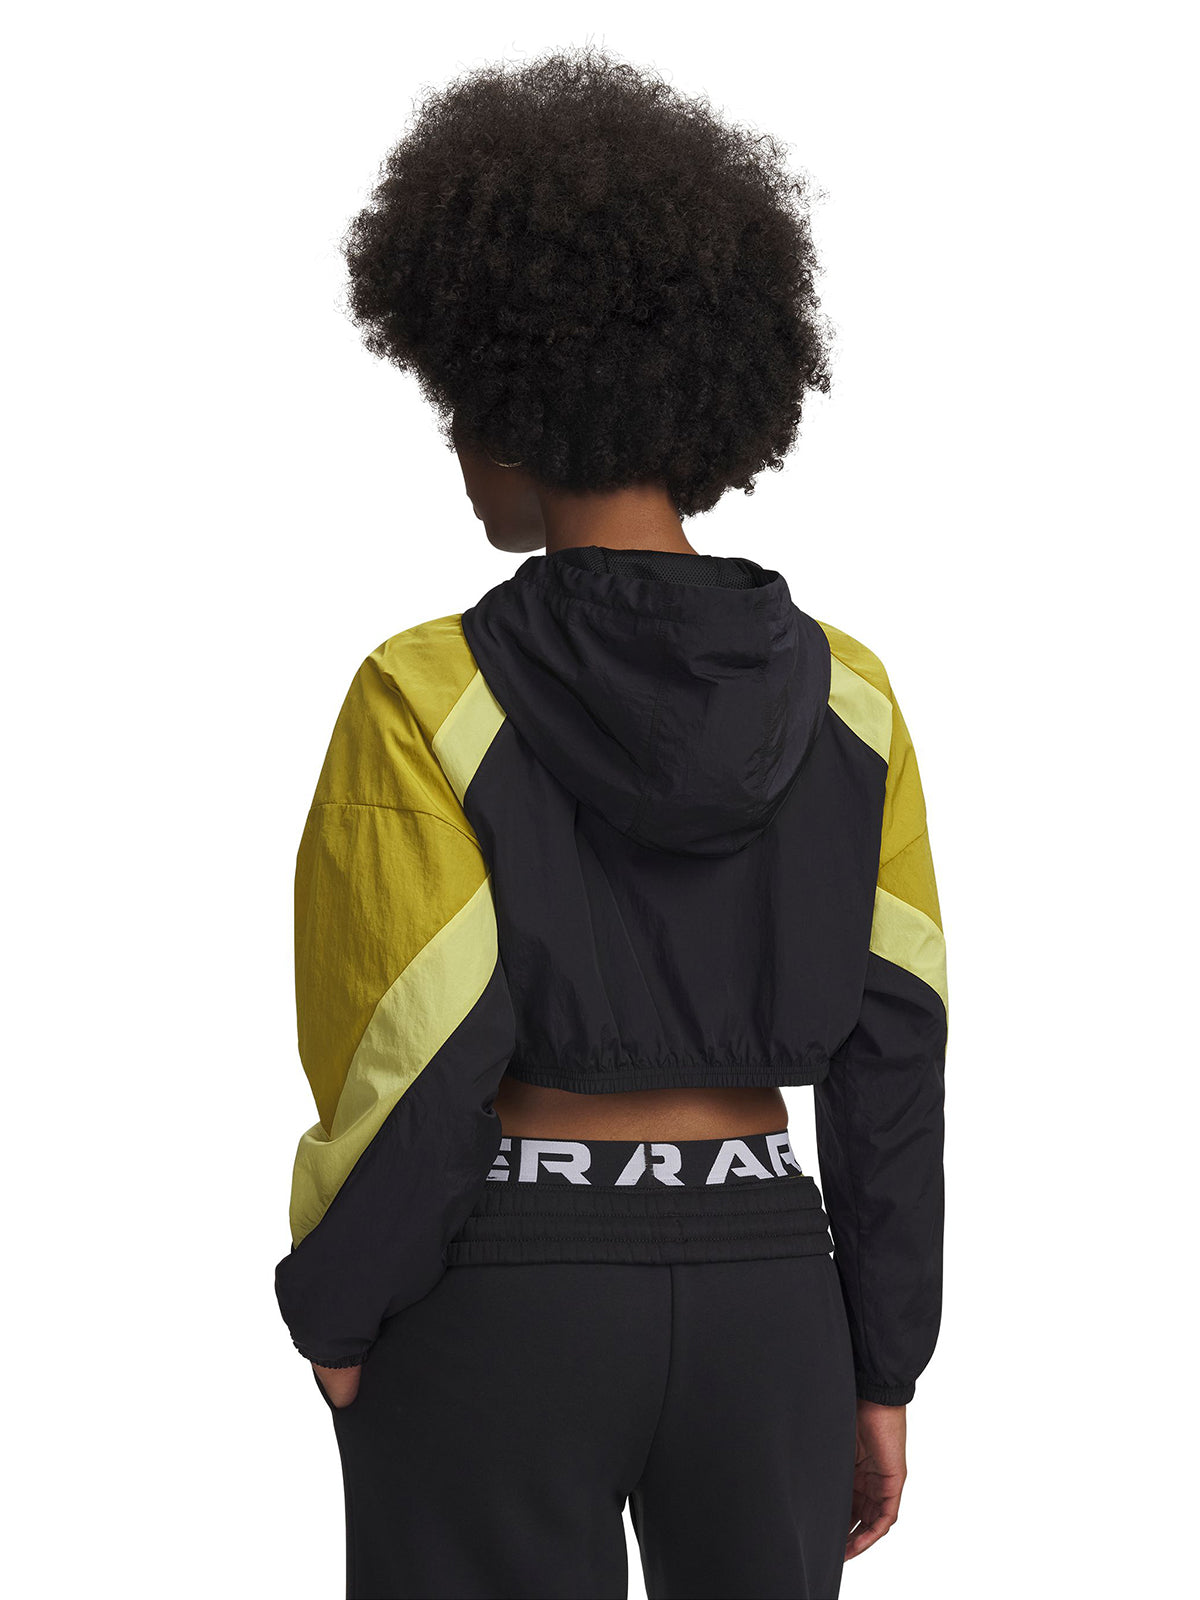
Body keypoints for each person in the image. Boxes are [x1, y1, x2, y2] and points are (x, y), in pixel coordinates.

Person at [274, 45, 948, 1600]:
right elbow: (896, 1052)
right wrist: (881, 1360)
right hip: (772, 1293)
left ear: (512, 404)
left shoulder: (425, 692)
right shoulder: (853, 700)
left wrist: (342, 1307)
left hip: (504, 1291)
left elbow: (414, 1054)